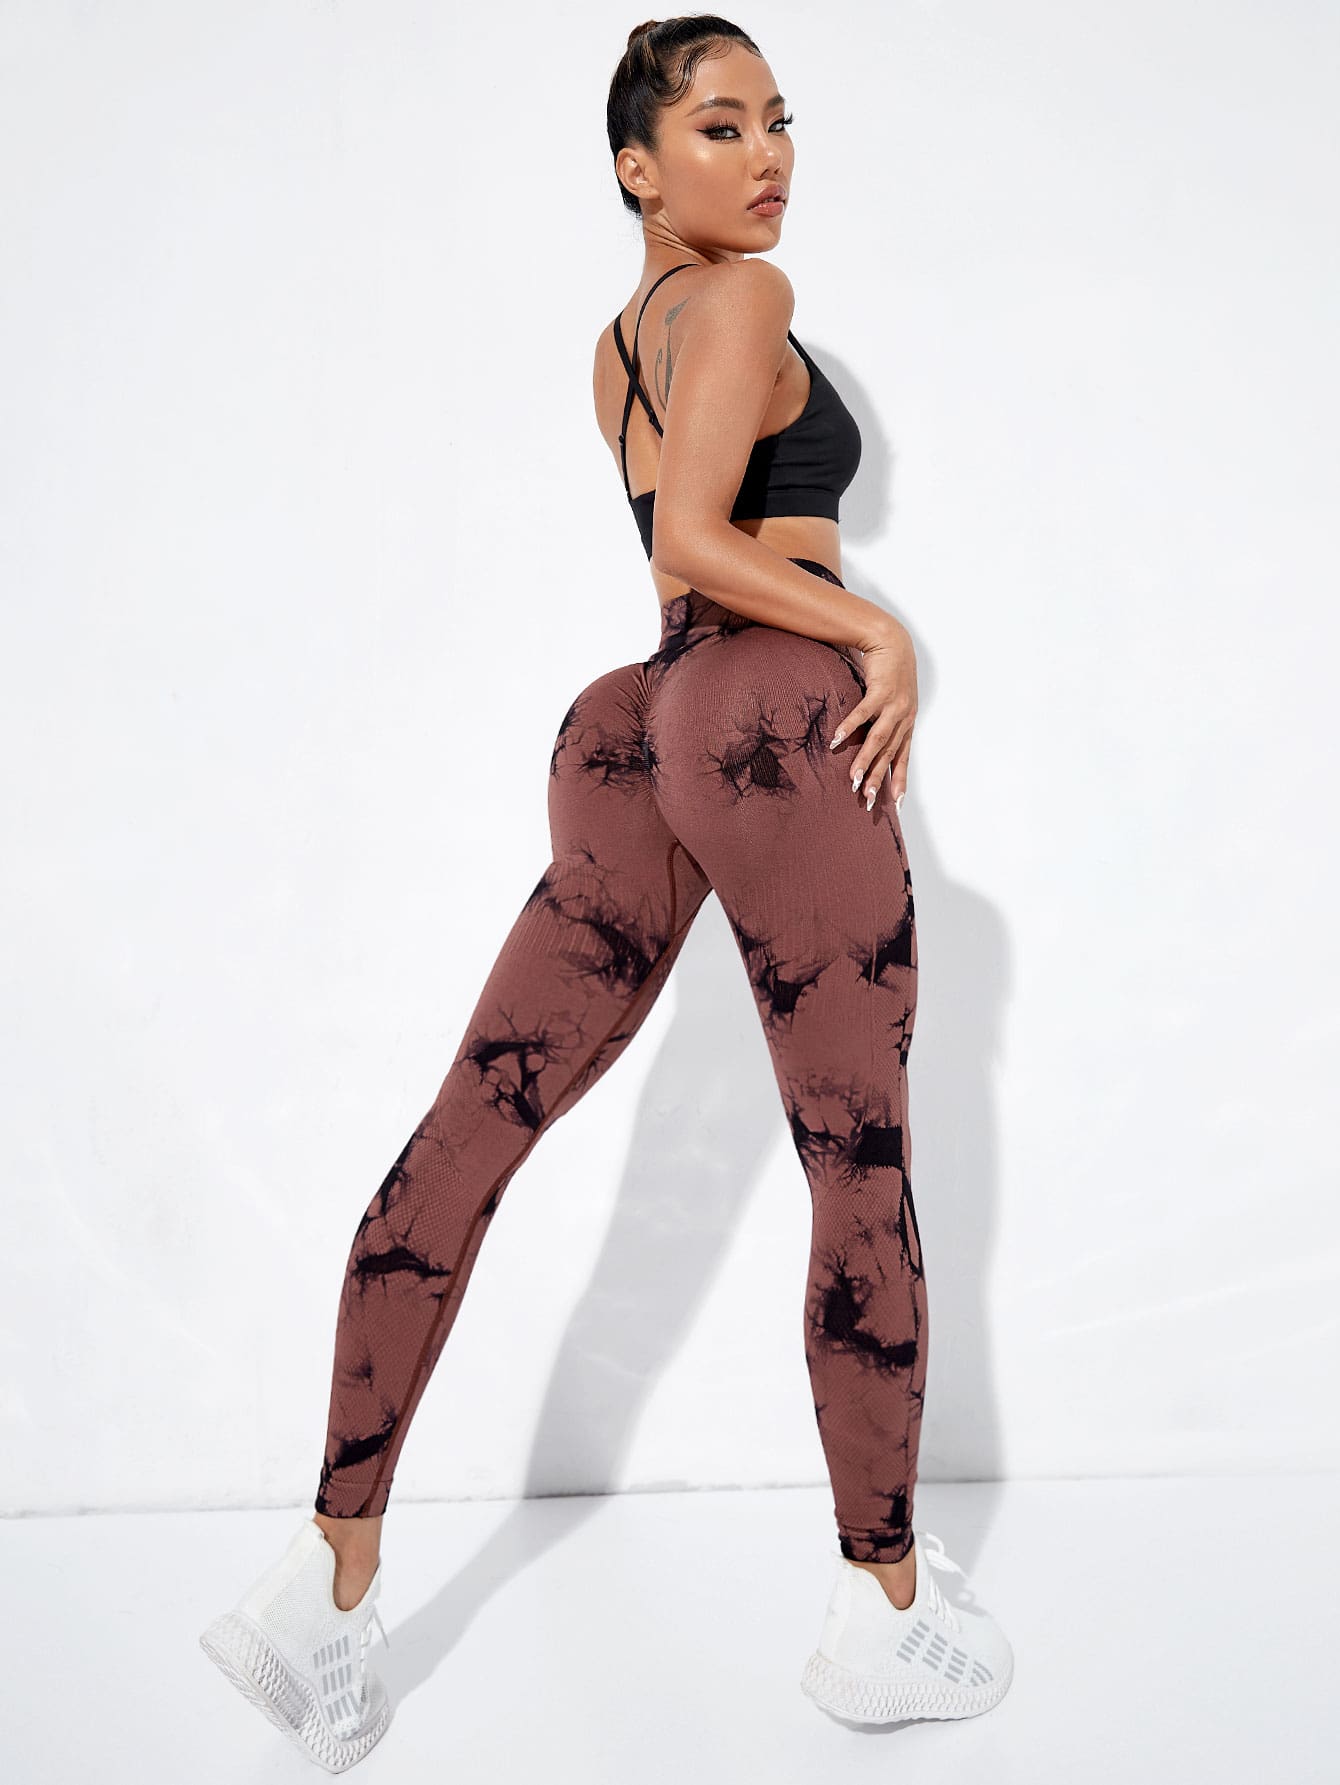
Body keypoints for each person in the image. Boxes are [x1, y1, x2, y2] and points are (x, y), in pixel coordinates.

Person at [199, 16, 1013, 1766]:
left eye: (778, 121)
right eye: (720, 127)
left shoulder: (618, 344)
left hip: (635, 725)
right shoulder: (749, 300)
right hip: (771, 718)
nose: (768, 154)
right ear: (638, 169)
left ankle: (323, 1585)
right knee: (857, 1159)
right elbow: (701, 542)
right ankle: (884, 1611)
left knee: (474, 1122)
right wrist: (876, 630)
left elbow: (670, 562)